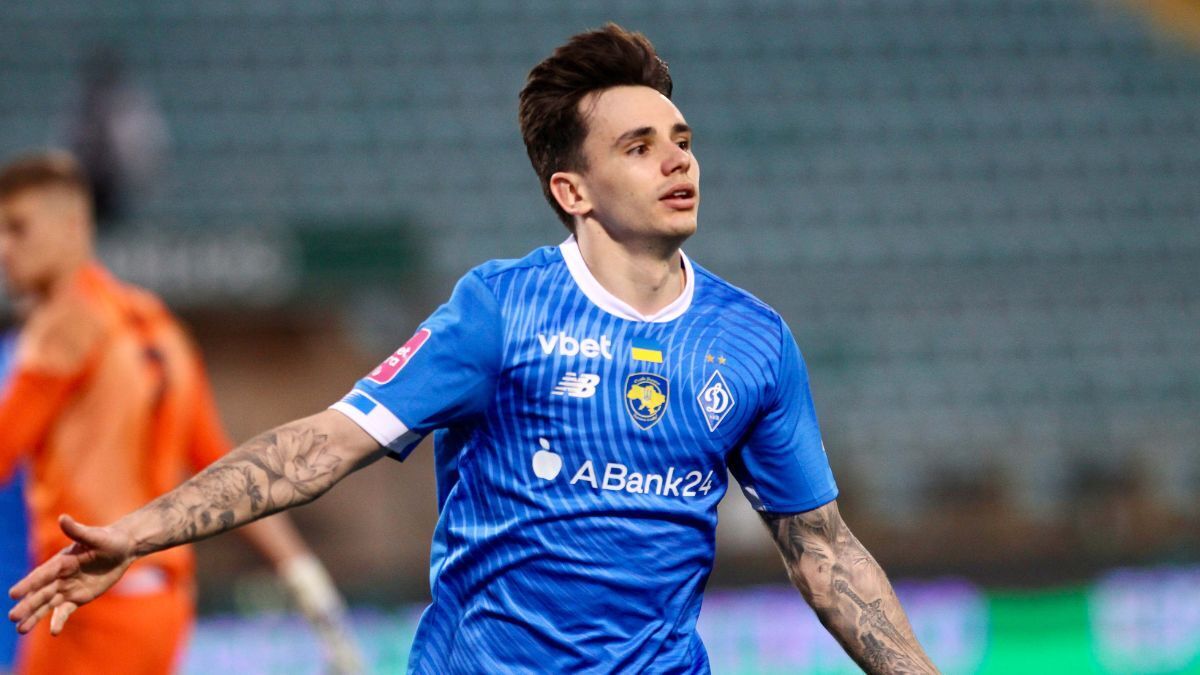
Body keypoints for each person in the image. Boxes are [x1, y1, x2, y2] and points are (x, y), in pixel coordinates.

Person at [9, 26, 937, 674]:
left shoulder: (753, 340)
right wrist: (139, 530)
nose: (677, 160)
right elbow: (323, 444)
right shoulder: (501, 310)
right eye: (640, 145)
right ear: (573, 190)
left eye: (682, 140)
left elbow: (823, 552)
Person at [0, 152, 362, 675]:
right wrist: (304, 575)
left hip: (86, 599)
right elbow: (226, 467)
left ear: (73, 224)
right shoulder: (158, 324)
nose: (4, 249)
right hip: (164, 603)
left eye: (17, 228)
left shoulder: (62, 324)